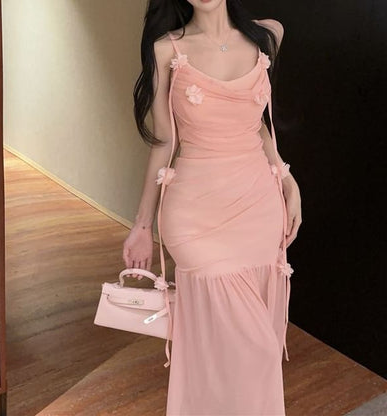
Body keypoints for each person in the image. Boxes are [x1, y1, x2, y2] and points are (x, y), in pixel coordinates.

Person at [123, 0, 302, 414]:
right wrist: (142, 225)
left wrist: (288, 179)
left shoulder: (268, 35)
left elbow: (255, 123)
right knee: (254, 350)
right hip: (195, 218)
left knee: (248, 355)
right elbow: (165, 141)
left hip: (257, 209)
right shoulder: (167, 49)